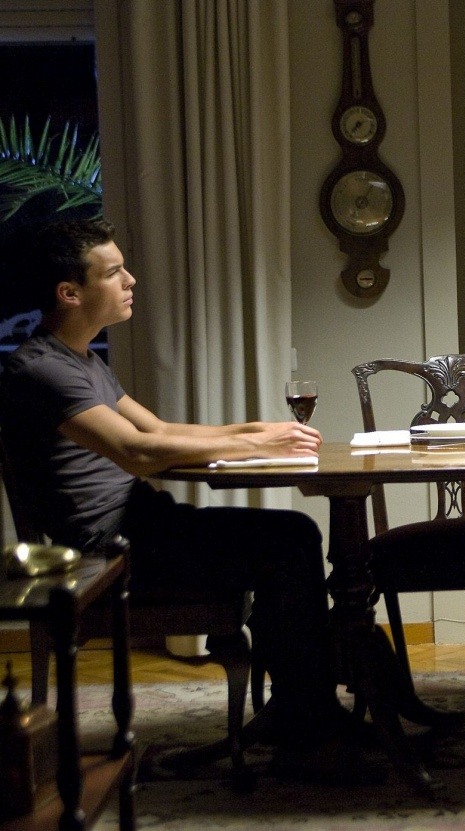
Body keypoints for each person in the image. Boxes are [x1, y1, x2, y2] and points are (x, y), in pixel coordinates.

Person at [0, 218, 379, 783]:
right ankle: (307, 725)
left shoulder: (81, 360)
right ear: (69, 292)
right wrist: (258, 444)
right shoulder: (40, 369)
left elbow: (157, 428)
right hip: (107, 551)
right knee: (290, 542)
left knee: (290, 537)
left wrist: (252, 430)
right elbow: (137, 450)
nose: (130, 280)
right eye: (114, 272)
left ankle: (300, 711)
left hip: (139, 524)